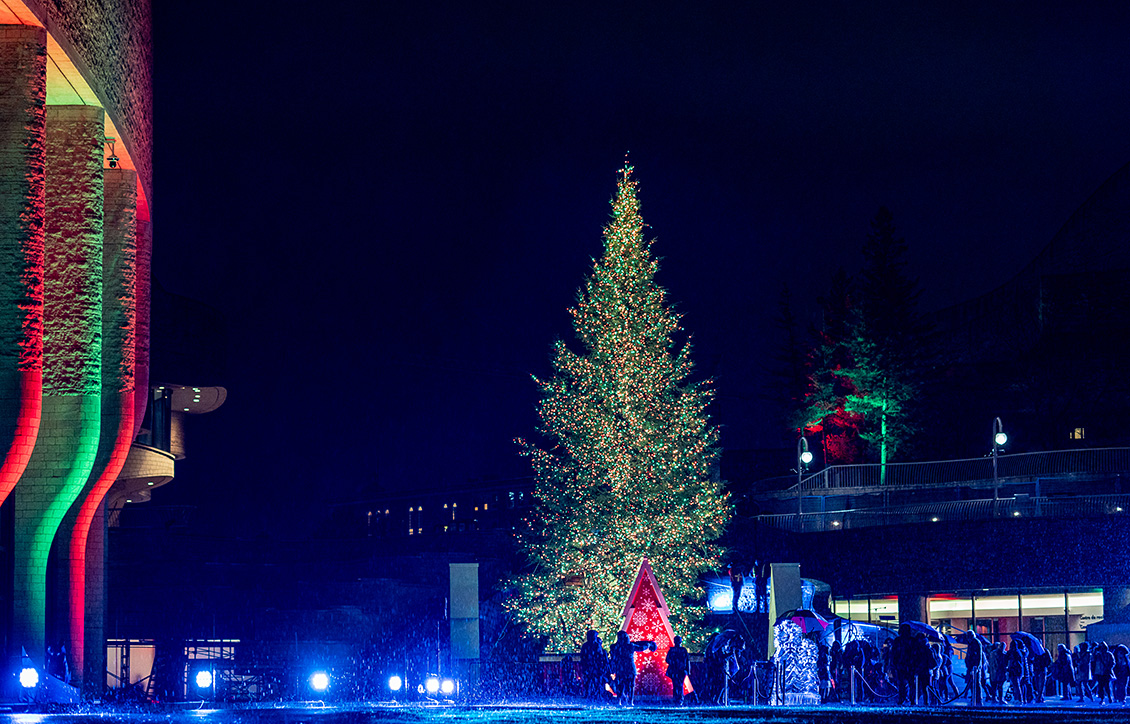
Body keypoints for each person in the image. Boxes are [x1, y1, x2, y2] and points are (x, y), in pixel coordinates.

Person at [609, 630, 656, 706]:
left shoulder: (614, 647)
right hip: (630, 668)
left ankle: (619, 700)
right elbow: (641, 648)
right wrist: (648, 644)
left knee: (620, 685)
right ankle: (630, 701)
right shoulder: (630, 646)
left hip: (620, 668)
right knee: (630, 685)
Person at [890, 623, 918, 706]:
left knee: (904, 683)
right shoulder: (911, 641)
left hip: (903, 664)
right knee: (908, 683)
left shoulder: (899, 641)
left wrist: (894, 663)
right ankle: (909, 699)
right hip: (907, 665)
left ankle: (904, 698)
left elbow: (894, 653)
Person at [580, 630, 611, 700]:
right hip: (592, 667)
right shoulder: (590, 646)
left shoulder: (592, 645)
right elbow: (583, 657)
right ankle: (592, 694)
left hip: (595, 667)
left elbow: (601, 657)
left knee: (595, 682)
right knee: (591, 681)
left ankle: (595, 695)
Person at [665, 635, 689, 705]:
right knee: (678, 685)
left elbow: (667, 659)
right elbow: (687, 661)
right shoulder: (682, 650)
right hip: (679, 670)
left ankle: (677, 699)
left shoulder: (673, 650)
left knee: (677, 685)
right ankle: (679, 699)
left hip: (677, 670)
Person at [965, 634, 984, 706]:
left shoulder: (976, 643)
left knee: (976, 683)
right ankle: (975, 697)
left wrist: (977, 666)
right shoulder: (971, 643)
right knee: (972, 683)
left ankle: (978, 698)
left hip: (974, 667)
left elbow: (978, 656)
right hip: (971, 666)